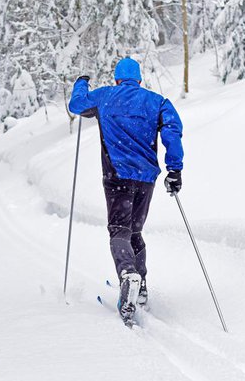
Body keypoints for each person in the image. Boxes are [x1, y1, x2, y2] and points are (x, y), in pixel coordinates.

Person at [69, 57, 184, 325]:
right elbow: (172, 131)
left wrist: (81, 83)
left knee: (119, 230)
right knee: (135, 231)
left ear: (117, 79)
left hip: (116, 175)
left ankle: (128, 273)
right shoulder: (157, 102)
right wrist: (174, 169)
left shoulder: (106, 96)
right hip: (146, 178)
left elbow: (77, 105)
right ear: (139, 80)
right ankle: (140, 284)